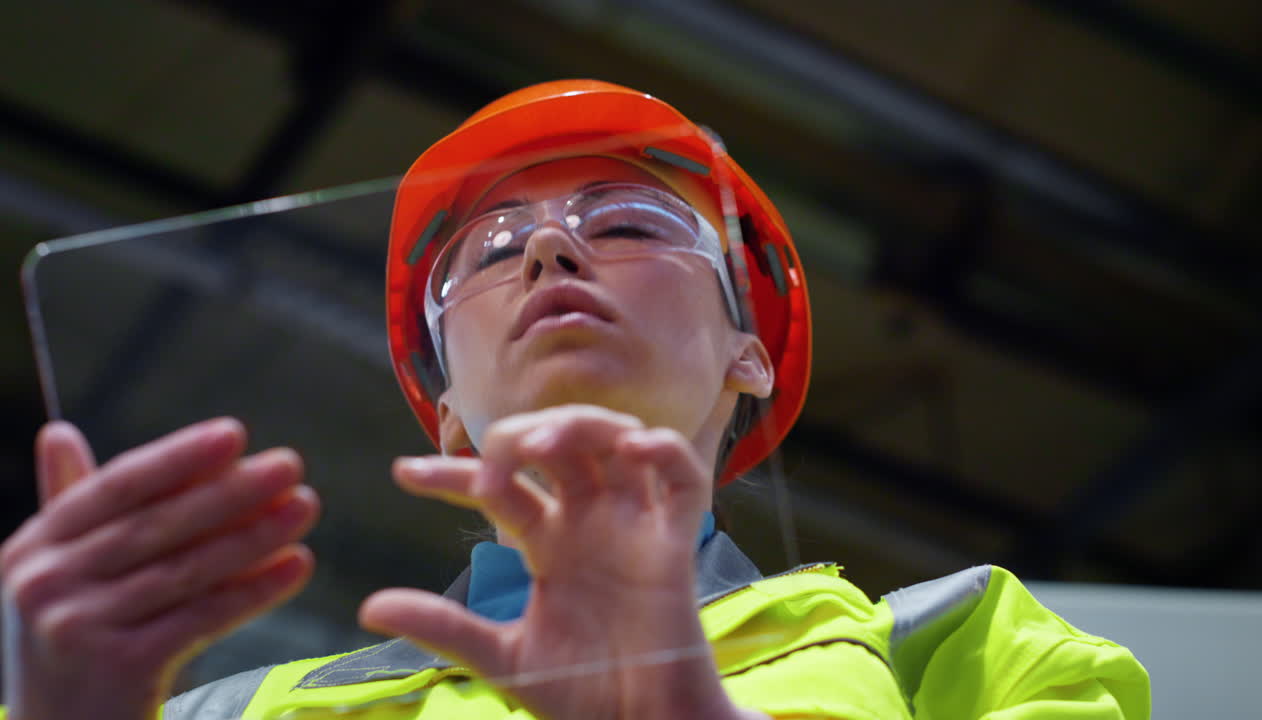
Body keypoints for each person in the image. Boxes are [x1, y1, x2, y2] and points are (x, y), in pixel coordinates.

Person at [0, 80, 1150, 719]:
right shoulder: (229, 713)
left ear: (749, 355)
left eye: (628, 223)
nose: (549, 251)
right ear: (448, 415)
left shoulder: (957, 643)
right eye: (492, 249)